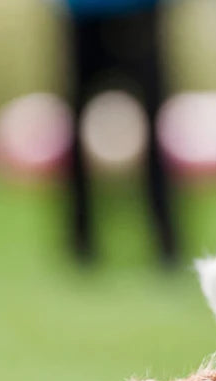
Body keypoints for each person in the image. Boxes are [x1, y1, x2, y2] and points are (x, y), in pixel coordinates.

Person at [58, 0, 179, 265]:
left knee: (155, 127)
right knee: (75, 129)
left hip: (137, 9)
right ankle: (81, 245)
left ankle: (167, 243)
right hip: (84, 11)